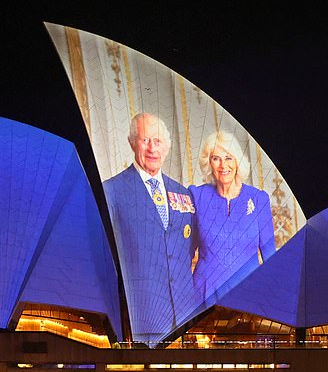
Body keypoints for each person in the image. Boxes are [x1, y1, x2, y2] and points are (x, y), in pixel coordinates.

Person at [103, 113, 198, 345]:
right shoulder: (112, 191)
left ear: (166, 146)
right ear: (132, 142)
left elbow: (190, 246)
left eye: (158, 141)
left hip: (184, 319)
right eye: (145, 140)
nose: (152, 148)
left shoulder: (183, 193)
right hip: (142, 319)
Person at [190, 131, 275, 305]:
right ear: (209, 163)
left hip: (249, 294)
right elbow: (186, 252)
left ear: (237, 161)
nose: (223, 165)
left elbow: (270, 255)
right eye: (216, 158)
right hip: (205, 296)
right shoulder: (197, 196)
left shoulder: (259, 199)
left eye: (228, 158)